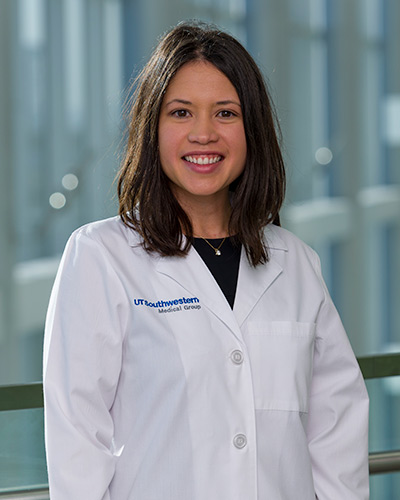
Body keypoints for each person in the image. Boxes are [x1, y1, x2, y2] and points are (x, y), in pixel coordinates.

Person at [43, 21, 369, 500]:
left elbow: (336, 430)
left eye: (225, 113)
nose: (203, 134)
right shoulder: (100, 258)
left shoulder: (296, 263)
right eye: (180, 112)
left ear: (251, 129)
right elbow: (76, 438)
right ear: (151, 129)